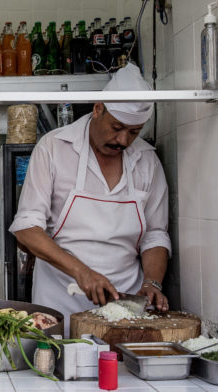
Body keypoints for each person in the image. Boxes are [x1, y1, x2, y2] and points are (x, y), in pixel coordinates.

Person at [9, 63, 171, 336]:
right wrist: (82, 272)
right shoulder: (54, 147)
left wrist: (152, 282)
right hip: (60, 299)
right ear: (98, 109)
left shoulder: (147, 160)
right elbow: (26, 229)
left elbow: (155, 234)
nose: (123, 140)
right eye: (117, 127)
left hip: (125, 307)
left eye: (134, 132)